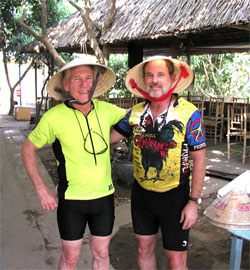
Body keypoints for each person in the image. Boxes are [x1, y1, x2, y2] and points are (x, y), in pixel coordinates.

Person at [20, 55, 126, 270]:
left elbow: (135, 117)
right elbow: (27, 148)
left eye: (89, 78)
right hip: (71, 201)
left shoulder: (106, 110)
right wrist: (41, 189)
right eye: (77, 79)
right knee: (70, 258)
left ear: (95, 82)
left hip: (104, 198)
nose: (84, 84)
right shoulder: (53, 117)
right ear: (66, 85)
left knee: (101, 254)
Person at [110, 56, 206, 270]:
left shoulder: (189, 113)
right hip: (142, 195)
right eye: (150, 75)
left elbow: (199, 160)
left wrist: (193, 202)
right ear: (144, 81)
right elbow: (108, 137)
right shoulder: (135, 114)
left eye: (160, 74)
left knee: (176, 260)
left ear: (172, 78)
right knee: (144, 249)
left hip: (176, 197)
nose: (155, 80)